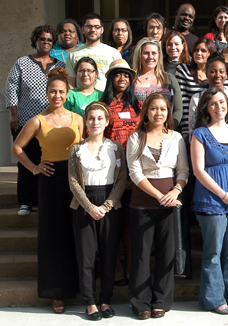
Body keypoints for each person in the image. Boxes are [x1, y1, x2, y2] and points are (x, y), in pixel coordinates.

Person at [11, 68, 84, 314]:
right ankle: (57, 293)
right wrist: (33, 168)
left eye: (61, 91)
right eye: (53, 91)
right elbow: (17, 148)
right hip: (50, 180)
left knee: (77, 233)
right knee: (53, 237)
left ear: (67, 93)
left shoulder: (78, 119)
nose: (57, 95)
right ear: (46, 92)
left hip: (75, 180)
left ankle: (81, 288)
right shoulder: (37, 120)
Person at [126, 93, 189, 320]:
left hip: (170, 205)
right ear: (146, 112)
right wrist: (157, 195)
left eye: (163, 109)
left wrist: (175, 191)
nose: (158, 113)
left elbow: (183, 171)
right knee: (141, 256)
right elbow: (134, 172)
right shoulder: (136, 138)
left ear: (168, 113)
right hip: (141, 205)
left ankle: (160, 301)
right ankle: (140, 303)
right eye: (154, 109)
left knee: (166, 254)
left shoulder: (176, 138)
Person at [190, 87, 228, 314]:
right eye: (213, 103)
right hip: (212, 199)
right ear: (206, 107)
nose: (219, 107)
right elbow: (198, 170)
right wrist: (222, 194)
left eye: (222, 102)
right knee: (214, 251)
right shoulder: (200, 134)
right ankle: (214, 298)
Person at [68, 101, 128, 320]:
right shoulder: (76, 149)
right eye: (91, 118)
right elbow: (73, 181)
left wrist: (106, 206)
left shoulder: (115, 148)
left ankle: (105, 300)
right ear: (86, 121)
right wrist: (90, 207)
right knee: (86, 256)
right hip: (84, 205)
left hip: (110, 204)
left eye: (100, 118)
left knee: (109, 254)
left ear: (106, 122)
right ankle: (90, 302)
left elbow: (122, 179)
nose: (95, 122)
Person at [6, 25, 66, 215]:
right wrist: (14, 115)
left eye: (49, 40)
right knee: (27, 161)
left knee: (47, 162)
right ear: (35, 41)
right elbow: (11, 88)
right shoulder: (23, 63)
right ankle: (25, 201)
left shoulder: (60, 65)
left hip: (51, 122)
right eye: (42, 39)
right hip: (26, 120)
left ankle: (44, 199)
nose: (46, 43)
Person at [101, 59, 143, 287]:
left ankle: (129, 267)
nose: (122, 79)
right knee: (112, 221)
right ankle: (116, 267)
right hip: (110, 171)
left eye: (126, 75)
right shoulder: (102, 106)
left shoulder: (138, 105)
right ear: (111, 79)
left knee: (129, 222)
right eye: (117, 75)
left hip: (135, 172)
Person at [189, 54, 228, 135]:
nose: (217, 75)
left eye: (221, 71)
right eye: (213, 71)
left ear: (226, 74)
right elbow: (192, 130)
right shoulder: (196, 98)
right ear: (206, 73)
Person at [131, 37, 183, 129]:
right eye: (146, 53)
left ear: (159, 55)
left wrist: (169, 129)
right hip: (137, 132)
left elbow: (178, 109)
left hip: (166, 132)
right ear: (139, 55)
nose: (150, 57)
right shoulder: (131, 79)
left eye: (154, 53)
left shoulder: (169, 79)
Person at [66, 13, 122, 91]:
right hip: (81, 101)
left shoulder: (113, 53)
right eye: (89, 26)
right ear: (83, 29)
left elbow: (119, 80)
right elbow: (70, 83)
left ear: (102, 30)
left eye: (97, 27)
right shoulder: (74, 54)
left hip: (106, 100)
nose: (93, 30)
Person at [176, 37, 216, 136]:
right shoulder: (183, 70)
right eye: (196, 50)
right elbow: (183, 101)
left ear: (211, 53)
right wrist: (186, 130)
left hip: (214, 124)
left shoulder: (218, 72)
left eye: (203, 51)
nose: (198, 53)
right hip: (192, 125)